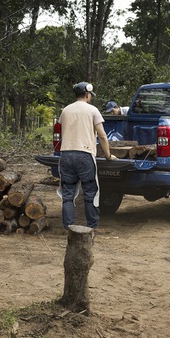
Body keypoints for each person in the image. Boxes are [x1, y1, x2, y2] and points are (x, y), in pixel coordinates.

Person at [58, 82, 116, 231]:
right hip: (84, 155)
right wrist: (108, 155)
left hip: (65, 155)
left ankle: (68, 227)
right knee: (90, 192)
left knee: (68, 194)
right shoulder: (92, 110)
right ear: (87, 94)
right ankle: (91, 226)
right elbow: (102, 136)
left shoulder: (65, 110)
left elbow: (61, 131)